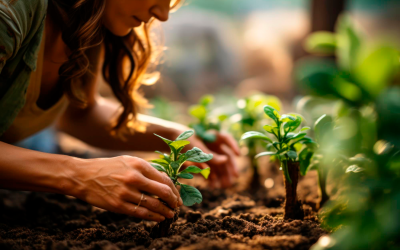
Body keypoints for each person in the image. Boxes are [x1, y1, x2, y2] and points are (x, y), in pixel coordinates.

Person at [0, 0, 240, 223]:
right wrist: (78, 175)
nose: (163, 15)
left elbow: (79, 114)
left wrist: (175, 136)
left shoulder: (86, 21)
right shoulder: (9, 12)